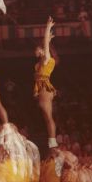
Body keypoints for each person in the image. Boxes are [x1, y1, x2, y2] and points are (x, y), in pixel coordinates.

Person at [34, 16, 58, 149]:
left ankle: (53, 141)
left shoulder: (46, 59)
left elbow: (46, 47)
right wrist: (48, 38)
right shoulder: (41, 62)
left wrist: (48, 27)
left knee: (48, 116)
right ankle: (51, 140)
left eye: (38, 49)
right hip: (41, 87)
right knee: (46, 116)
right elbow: (45, 45)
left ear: (42, 51)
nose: (35, 50)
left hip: (44, 86)